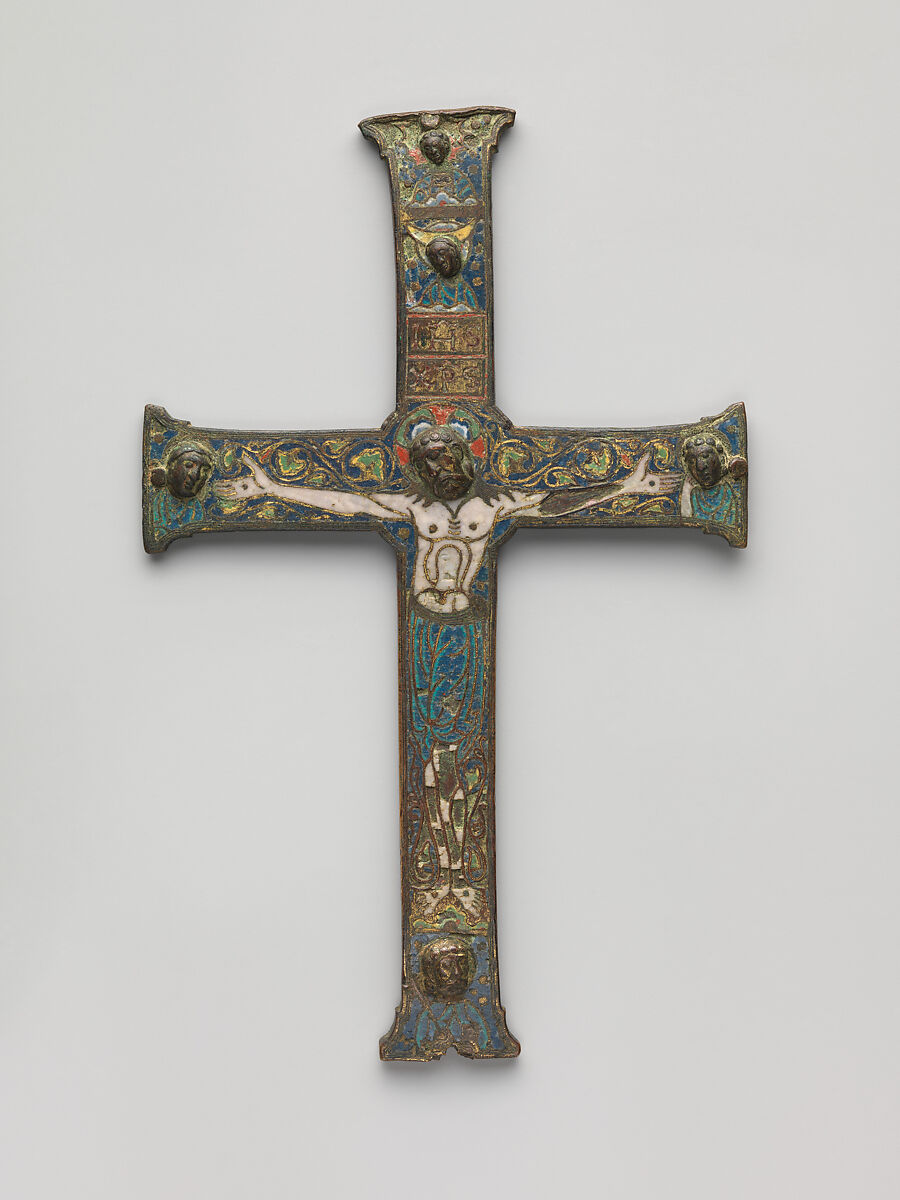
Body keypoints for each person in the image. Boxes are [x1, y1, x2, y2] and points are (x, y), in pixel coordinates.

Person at [215, 424, 677, 917]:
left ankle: (456, 869)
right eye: (429, 460)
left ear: (465, 454)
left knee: (456, 752)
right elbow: (348, 502)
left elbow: (552, 502)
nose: (441, 467)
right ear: (418, 467)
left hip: (465, 631)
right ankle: (442, 870)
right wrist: (272, 488)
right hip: (427, 632)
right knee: (433, 753)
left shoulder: (494, 505)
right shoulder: (414, 508)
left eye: (447, 455)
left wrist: (625, 487)